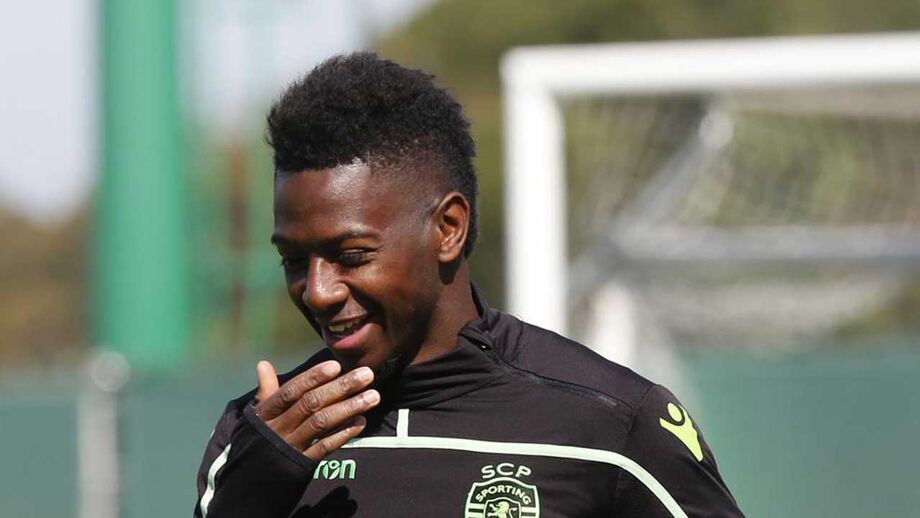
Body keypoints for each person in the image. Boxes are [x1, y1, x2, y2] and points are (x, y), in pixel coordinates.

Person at [194, 52, 744, 518]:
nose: (317, 291)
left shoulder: (613, 425)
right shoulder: (256, 438)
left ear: (448, 229)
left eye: (352, 255)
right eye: (294, 260)